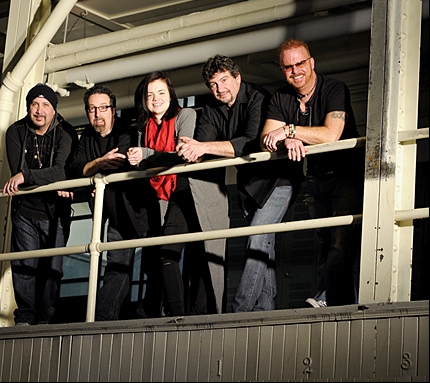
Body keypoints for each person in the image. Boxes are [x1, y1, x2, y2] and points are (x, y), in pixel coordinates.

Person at [178, 54, 304, 313]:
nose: (219, 89)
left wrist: (204, 147)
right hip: (248, 184)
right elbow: (204, 146)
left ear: (238, 77)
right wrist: (190, 148)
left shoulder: (259, 97)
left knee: (257, 238)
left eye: (224, 80)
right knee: (263, 244)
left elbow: (251, 142)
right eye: (213, 84)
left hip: (278, 179)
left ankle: (240, 308)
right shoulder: (211, 106)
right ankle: (265, 308)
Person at [262, 39, 365, 308]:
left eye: (300, 63)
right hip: (316, 178)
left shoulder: (334, 88)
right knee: (325, 243)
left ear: (312, 63)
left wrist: (290, 130)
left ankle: (328, 299)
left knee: (341, 244)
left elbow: (331, 134)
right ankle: (337, 305)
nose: (295, 70)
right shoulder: (281, 97)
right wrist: (287, 140)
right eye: (288, 67)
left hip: (346, 176)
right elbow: (266, 139)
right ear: (282, 70)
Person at [127, 71, 216, 317]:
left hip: (190, 190)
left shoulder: (185, 115)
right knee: (166, 255)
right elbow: (144, 164)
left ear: (171, 95)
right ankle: (175, 314)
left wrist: (145, 154)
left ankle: (191, 314)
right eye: (150, 95)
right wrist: (137, 158)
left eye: (161, 93)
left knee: (194, 254)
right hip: (162, 195)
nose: (156, 99)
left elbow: (181, 154)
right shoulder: (144, 127)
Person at [69, 84, 161, 321]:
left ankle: (152, 315)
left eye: (102, 108)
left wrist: (93, 170)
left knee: (154, 266)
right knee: (116, 267)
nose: (97, 114)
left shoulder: (127, 130)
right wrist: (98, 164)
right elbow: (75, 168)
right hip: (116, 214)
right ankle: (103, 318)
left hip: (142, 207)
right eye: (92, 109)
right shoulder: (86, 137)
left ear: (113, 109)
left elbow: (119, 161)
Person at [2, 83, 79, 326]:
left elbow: (61, 171)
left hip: (55, 212)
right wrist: (36, 177)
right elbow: (18, 171)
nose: (39, 110)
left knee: (52, 270)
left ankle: (45, 320)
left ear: (54, 109)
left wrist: (27, 175)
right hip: (24, 210)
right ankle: (25, 318)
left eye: (45, 105)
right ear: (28, 107)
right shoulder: (15, 132)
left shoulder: (66, 132)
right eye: (35, 104)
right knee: (24, 267)